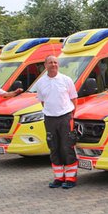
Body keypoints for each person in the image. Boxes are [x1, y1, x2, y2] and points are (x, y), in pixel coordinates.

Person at [33, 55, 79, 189]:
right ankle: (59, 178)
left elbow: (74, 98)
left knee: (67, 147)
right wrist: (50, 112)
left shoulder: (66, 80)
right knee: (53, 147)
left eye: (55, 62)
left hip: (65, 117)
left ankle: (70, 178)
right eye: (50, 62)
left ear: (58, 65)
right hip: (49, 118)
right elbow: (42, 101)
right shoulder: (40, 83)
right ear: (45, 65)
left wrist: (71, 115)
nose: (53, 65)